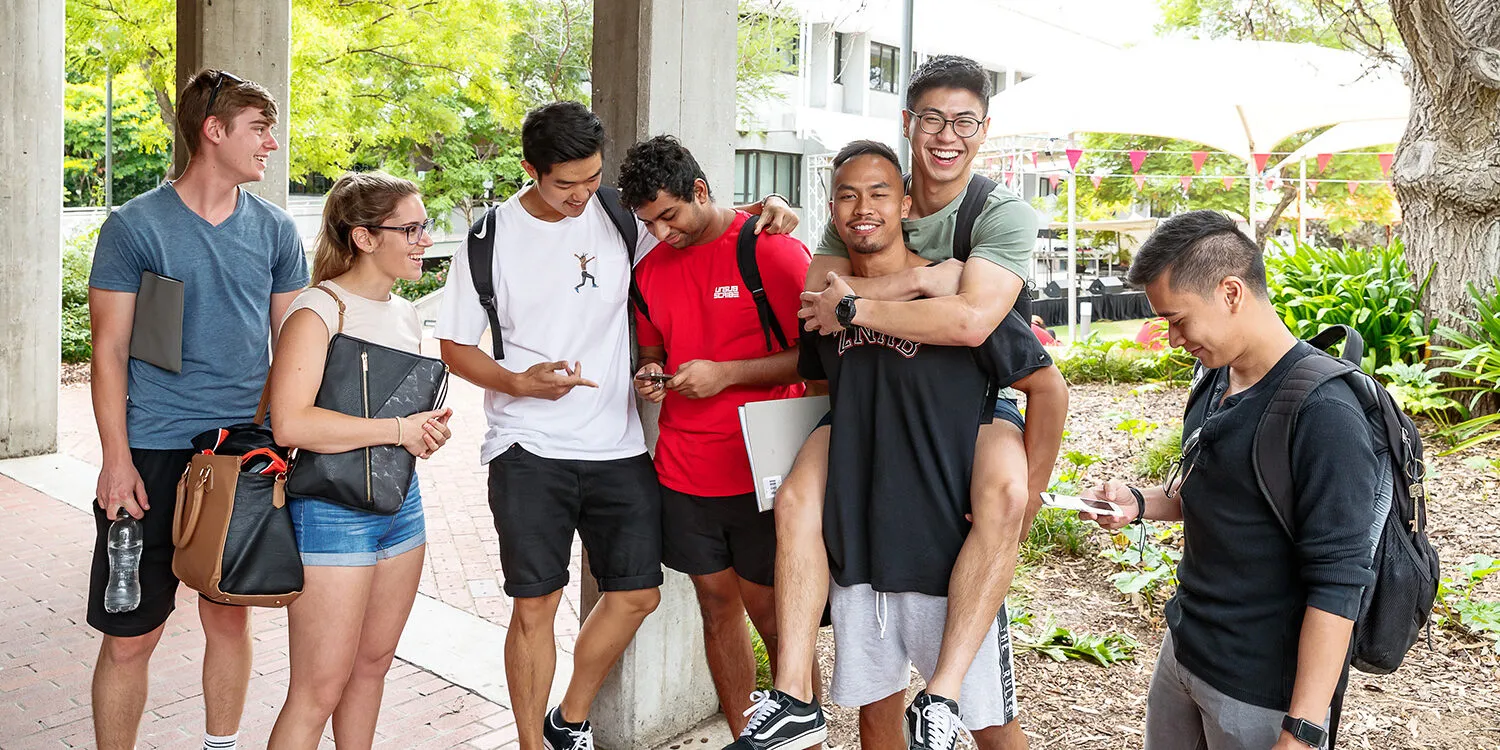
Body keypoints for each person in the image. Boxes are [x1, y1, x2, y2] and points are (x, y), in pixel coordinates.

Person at [434, 102, 800, 750]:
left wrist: (770, 206)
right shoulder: (489, 239)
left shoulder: (619, 216)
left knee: (638, 594)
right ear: (530, 170)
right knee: (535, 605)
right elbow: (455, 349)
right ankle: (532, 744)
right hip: (526, 445)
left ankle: (568, 719)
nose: (581, 195)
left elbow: (699, 221)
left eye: (591, 178)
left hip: (618, 445)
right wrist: (519, 383)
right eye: (564, 184)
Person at [740, 56, 1069, 750]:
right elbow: (820, 309)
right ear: (908, 123)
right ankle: (793, 694)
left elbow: (975, 323)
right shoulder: (869, 203)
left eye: (964, 122)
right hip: (871, 483)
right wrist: (890, 291)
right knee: (799, 500)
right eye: (932, 119)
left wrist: (922, 285)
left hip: (970, 412)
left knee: (1006, 497)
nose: (947, 135)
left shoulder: (996, 218)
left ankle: (942, 695)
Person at [1079, 210, 1380, 750]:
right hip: (1184, 650)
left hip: (1260, 691)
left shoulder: (1325, 412)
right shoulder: (1216, 377)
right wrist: (1140, 502)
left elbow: (1339, 583)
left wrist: (1302, 731)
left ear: (1231, 293)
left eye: (1177, 319)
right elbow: (1218, 490)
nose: (1173, 339)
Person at [86, 69, 308, 750]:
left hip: (240, 455)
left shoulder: (275, 230)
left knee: (230, 618)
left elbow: (293, 347)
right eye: (259, 129)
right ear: (214, 131)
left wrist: (282, 442)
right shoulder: (135, 226)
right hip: (151, 451)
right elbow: (108, 350)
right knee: (130, 635)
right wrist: (116, 461)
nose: (271, 143)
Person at [804, 140, 1052, 750]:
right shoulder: (827, 309)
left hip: (948, 556)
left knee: (989, 726)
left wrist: (1030, 494)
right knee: (875, 716)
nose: (864, 207)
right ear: (832, 211)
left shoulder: (959, 296)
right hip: (863, 552)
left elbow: (1045, 386)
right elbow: (822, 388)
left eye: (879, 193)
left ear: (905, 205)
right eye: (848, 196)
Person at [617, 135, 810, 736]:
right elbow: (652, 350)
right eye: (649, 222)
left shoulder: (772, 251)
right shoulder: (648, 272)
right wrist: (650, 373)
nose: (661, 232)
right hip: (684, 472)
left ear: (700, 190)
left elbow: (820, 360)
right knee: (716, 608)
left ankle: (801, 741)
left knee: (776, 622)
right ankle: (745, 738)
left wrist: (727, 374)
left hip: (764, 472)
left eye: (670, 215)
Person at [265, 172, 454, 748]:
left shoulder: (405, 313)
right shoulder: (319, 309)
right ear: (365, 238)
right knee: (317, 691)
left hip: (400, 503)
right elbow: (291, 424)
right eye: (411, 229)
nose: (425, 239)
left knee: (371, 669)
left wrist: (423, 433)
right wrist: (398, 430)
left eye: (424, 226)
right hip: (331, 511)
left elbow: (392, 418)